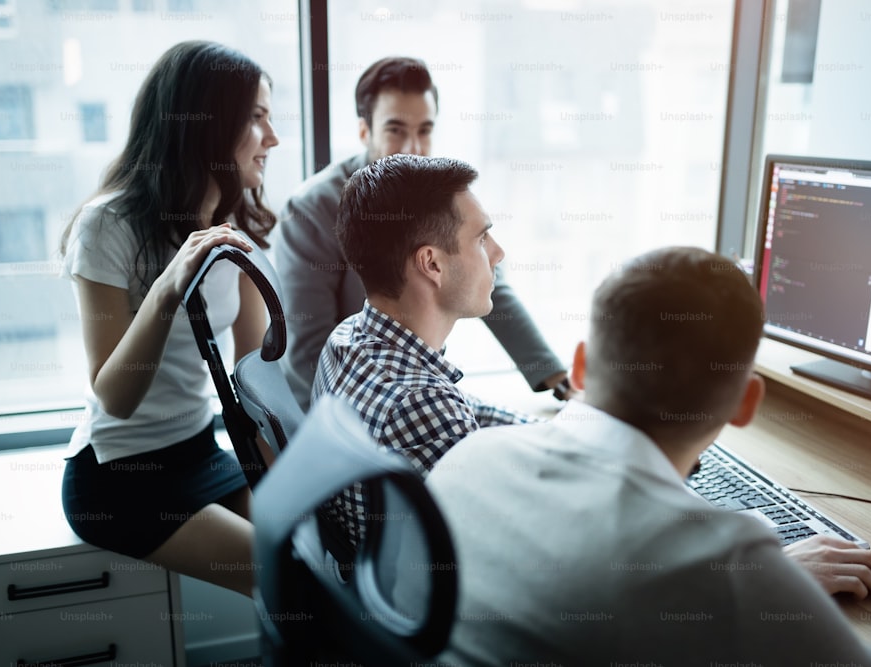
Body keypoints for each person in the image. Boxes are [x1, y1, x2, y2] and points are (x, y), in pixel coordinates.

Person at [426, 247, 871, 666]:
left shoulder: (465, 457)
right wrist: (769, 588)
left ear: (582, 366)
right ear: (745, 403)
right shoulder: (725, 563)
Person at [58, 41, 279, 597]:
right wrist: (166, 290)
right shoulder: (107, 226)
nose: (272, 139)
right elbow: (116, 396)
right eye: (255, 119)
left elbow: (255, 386)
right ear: (206, 125)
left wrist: (296, 479)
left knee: (321, 557)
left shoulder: (236, 234)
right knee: (292, 582)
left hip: (200, 451)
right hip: (119, 478)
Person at [272, 56, 571, 411]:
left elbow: (489, 281)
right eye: (396, 129)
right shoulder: (310, 209)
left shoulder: (434, 197)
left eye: (425, 130)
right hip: (350, 407)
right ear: (364, 131)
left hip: (415, 385)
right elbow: (309, 346)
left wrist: (557, 379)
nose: (413, 147)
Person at [312, 153, 534, 546]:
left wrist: (554, 436)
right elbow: (516, 537)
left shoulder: (348, 339)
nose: (498, 254)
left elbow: (467, 409)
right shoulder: (419, 403)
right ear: (431, 263)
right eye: (482, 239)